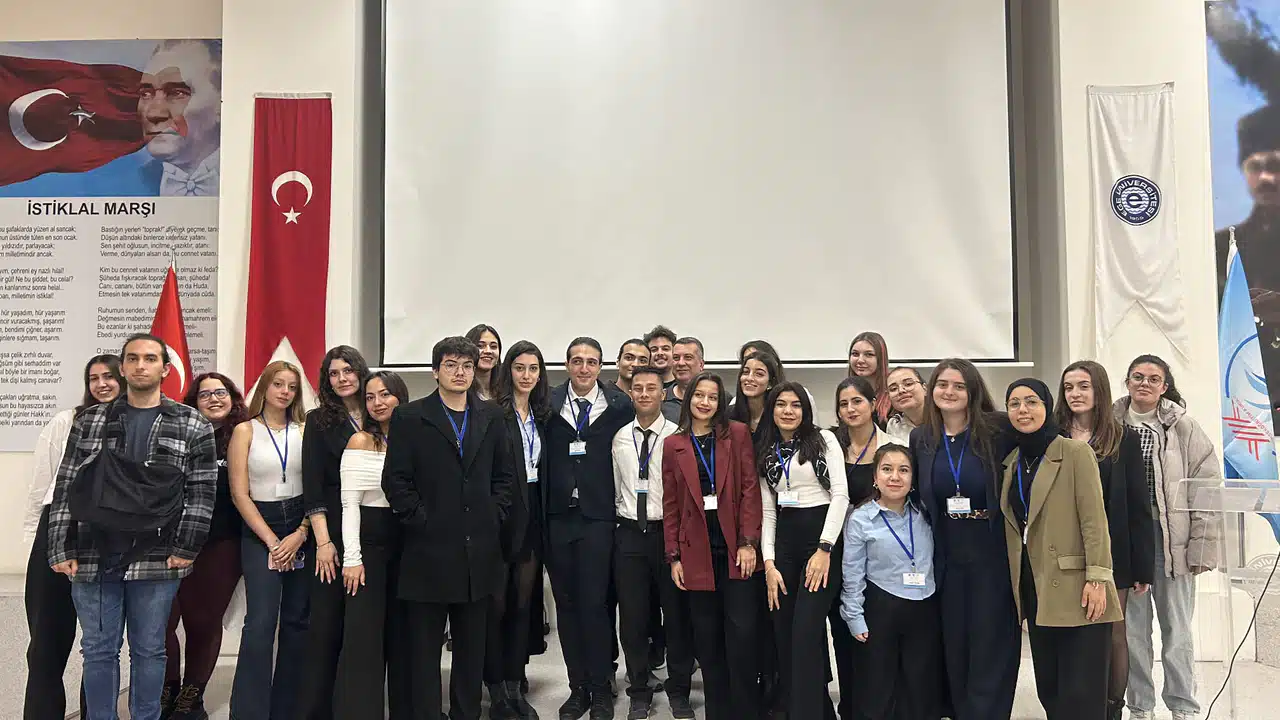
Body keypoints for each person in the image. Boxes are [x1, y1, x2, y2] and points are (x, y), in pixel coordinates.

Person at [48, 333, 216, 720]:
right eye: (133, 358)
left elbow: (202, 492)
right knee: (98, 651)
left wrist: (186, 547)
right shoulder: (89, 421)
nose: (141, 366)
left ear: (165, 369)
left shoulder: (192, 423)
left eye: (150, 359)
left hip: (158, 553)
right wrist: (59, 546)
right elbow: (67, 484)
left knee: (150, 650)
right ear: (122, 368)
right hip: (93, 551)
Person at [382, 336, 515, 720]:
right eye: (451, 365)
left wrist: (493, 514)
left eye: (467, 366)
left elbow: (504, 477)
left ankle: (465, 713)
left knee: (471, 649)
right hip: (428, 550)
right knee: (424, 651)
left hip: (478, 551)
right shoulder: (410, 416)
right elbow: (396, 480)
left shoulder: (491, 415)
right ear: (435, 371)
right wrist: (421, 519)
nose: (460, 372)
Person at [1002, 378, 1120, 720]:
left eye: (1031, 402)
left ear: (1047, 406)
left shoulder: (1074, 452)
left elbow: (1094, 520)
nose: (1023, 410)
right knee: (1050, 686)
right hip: (1036, 585)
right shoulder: (1012, 461)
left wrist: (1098, 577)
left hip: (1077, 585)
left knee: (1081, 689)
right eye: (1014, 403)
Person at [909, 358, 1019, 720]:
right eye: (942, 384)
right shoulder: (922, 438)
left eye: (959, 385)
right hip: (945, 549)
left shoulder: (998, 428)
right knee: (954, 640)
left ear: (973, 391)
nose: (949, 392)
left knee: (990, 639)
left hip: (990, 547)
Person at [1114, 354, 1220, 720]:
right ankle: (1140, 706)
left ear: (1164, 386)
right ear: (1127, 382)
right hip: (1128, 541)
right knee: (1133, 632)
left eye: (1153, 378)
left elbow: (1205, 487)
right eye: (1137, 376)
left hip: (1171, 542)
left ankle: (1183, 706)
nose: (1144, 383)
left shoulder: (1183, 427)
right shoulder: (1110, 424)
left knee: (1178, 631)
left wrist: (1201, 546)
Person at [23, 354, 120, 720]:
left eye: (109, 376)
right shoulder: (66, 421)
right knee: (46, 642)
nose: (101, 384)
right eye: (94, 378)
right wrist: (37, 541)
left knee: (99, 644)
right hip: (56, 528)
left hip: (106, 532)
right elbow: (41, 486)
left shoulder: (136, 424)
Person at [1057, 360, 1155, 720]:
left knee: (1113, 633)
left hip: (1113, 553)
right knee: (1072, 634)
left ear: (1099, 390)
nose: (1075, 394)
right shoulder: (1053, 436)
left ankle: (1112, 709)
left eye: (1083, 386)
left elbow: (1138, 504)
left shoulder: (1123, 438)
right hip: (1063, 551)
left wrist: (1143, 566)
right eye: (1069, 387)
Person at [543, 337, 635, 720]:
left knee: (595, 604)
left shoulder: (619, 405)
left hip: (599, 518)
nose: (584, 368)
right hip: (558, 517)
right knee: (566, 605)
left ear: (601, 367)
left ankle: (600, 689)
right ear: (567, 364)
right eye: (577, 361)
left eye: (591, 362)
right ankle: (577, 688)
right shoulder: (547, 403)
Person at [663, 372, 762, 720]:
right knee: (708, 642)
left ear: (721, 403)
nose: (705, 402)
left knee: (742, 638)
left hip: (736, 552)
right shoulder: (673, 444)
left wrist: (749, 542)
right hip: (696, 554)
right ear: (688, 398)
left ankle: (746, 712)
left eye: (712, 397)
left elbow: (750, 490)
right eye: (699, 395)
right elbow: (671, 504)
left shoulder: (737, 434)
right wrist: (673, 556)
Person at [758, 381, 850, 720]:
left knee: (806, 634)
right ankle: (817, 710)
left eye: (795, 404)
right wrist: (769, 564)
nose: (788, 411)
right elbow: (768, 512)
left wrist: (825, 548)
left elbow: (840, 495)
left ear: (805, 410)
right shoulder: (766, 448)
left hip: (820, 545)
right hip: (784, 549)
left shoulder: (823, 439)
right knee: (785, 635)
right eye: (781, 404)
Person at [228, 361, 311, 720]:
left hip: (300, 525)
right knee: (260, 623)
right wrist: (274, 543)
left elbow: (317, 487)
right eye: (278, 384)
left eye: (292, 387)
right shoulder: (245, 430)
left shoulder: (306, 430)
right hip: (260, 526)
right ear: (265, 386)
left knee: (296, 621)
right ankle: (249, 711)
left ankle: (287, 708)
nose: (285, 392)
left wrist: (301, 533)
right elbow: (239, 493)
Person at [612, 365, 695, 719]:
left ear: (663, 394)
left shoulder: (678, 437)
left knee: (677, 618)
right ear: (630, 393)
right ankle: (639, 690)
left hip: (669, 535)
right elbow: (616, 487)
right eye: (638, 388)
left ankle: (679, 690)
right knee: (633, 620)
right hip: (630, 534)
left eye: (651, 388)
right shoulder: (619, 438)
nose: (644, 394)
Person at [164, 372, 249, 719]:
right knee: (162, 621)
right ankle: (166, 692)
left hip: (222, 543)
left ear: (232, 397)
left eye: (220, 392)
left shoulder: (245, 435)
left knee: (203, 622)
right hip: (174, 542)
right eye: (205, 394)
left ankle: (191, 697)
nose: (214, 399)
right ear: (193, 403)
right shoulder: (179, 435)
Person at [839, 444, 942, 720]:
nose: (895, 477)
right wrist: (854, 616)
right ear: (875, 477)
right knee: (878, 690)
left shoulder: (925, 514)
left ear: (913, 478)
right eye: (887, 469)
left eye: (903, 470)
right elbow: (852, 573)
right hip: (881, 608)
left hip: (923, 608)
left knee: (919, 688)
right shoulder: (861, 519)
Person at [334, 371, 413, 720]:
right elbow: (349, 504)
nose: (377, 403)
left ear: (400, 396)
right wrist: (352, 558)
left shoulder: (416, 440)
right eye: (370, 397)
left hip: (408, 542)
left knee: (404, 635)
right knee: (363, 637)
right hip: (369, 542)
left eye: (384, 395)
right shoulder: (360, 442)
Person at [299, 345, 370, 719]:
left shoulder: (380, 413)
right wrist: (323, 543)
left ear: (360, 372)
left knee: (363, 628)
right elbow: (313, 486)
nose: (342, 378)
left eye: (348, 370)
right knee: (326, 627)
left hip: (374, 531)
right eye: (334, 373)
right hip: (332, 534)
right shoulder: (318, 421)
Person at [485, 341, 548, 719]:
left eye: (533, 369)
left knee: (523, 606)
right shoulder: (494, 413)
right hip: (502, 516)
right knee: (496, 606)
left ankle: (514, 682)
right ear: (508, 370)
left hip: (533, 513)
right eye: (520, 367)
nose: (526, 375)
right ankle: (495, 690)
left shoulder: (542, 414)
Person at [826, 375, 894, 720]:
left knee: (874, 633)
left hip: (880, 551)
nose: (851, 409)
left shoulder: (892, 446)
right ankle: (849, 706)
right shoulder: (829, 446)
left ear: (872, 404)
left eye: (857, 401)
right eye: (843, 404)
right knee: (842, 630)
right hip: (838, 548)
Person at [1214, 101, 1280, 427]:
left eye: (1275, 165)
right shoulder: (1222, 246)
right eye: (1256, 166)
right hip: (1244, 385)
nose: (1266, 177)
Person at [139, 39, 222, 197]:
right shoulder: (118, 185)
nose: (154, 113)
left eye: (177, 93)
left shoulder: (257, 179)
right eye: (146, 94)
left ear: (221, 103)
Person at [728, 350, 784, 438]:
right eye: (746, 372)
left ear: (770, 383)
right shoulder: (729, 414)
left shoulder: (779, 416)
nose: (749, 378)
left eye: (759, 374)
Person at [847, 332, 892, 423]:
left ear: (881, 358)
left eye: (869, 354)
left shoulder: (894, 393)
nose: (860, 360)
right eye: (855, 354)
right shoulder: (846, 391)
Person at [662, 337, 705, 421]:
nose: (681, 363)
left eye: (688, 357)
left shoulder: (719, 398)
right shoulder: (660, 400)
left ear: (701, 365)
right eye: (676, 358)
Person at [884, 367, 926, 439]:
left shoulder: (943, 418)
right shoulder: (894, 425)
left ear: (925, 388)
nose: (901, 390)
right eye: (893, 389)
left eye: (908, 384)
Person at [466, 323, 503, 401]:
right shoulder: (461, 390)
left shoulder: (506, 390)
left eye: (493, 346)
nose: (488, 351)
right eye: (480, 346)